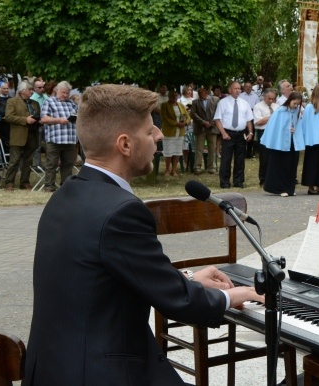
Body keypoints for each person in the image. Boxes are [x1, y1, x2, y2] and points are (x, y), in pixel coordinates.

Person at [22, 84, 262, 386]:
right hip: (99, 374)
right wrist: (231, 295)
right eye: (150, 132)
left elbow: (110, 278)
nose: (159, 136)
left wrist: (186, 281)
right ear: (125, 144)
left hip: (55, 367)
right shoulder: (121, 210)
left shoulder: (65, 195)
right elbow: (179, 303)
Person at [261, 92, 304, 197]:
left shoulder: (297, 111)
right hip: (280, 143)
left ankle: (290, 188)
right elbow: (275, 126)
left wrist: (295, 129)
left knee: (292, 164)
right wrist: (286, 129)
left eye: (297, 104)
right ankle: (280, 188)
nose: (295, 106)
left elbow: (299, 124)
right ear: (290, 100)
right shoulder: (280, 111)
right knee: (282, 165)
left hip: (293, 142)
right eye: (294, 103)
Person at [214, 81, 254, 188]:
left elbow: (249, 119)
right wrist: (223, 133)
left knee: (240, 158)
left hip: (241, 133)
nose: (237, 90)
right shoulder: (223, 102)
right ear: (229, 90)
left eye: (239, 88)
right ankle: (225, 182)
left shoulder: (244, 103)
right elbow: (217, 119)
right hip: (228, 133)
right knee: (226, 159)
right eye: (235, 88)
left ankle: (238, 181)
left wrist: (250, 132)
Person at [2, 80, 40, 190]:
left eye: (32, 89)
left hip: (32, 134)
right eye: (30, 90)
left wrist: (39, 121)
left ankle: (24, 182)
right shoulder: (12, 101)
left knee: (28, 160)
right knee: (14, 160)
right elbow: (8, 117)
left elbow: (38, 116)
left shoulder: (35, 103)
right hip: (18, 135)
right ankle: (9, 183)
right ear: (23, 91)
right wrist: (25, 120)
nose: (32, 92)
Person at [40, 81, 78, 192]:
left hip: (69, 139)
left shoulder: (71, 103)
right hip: (55, 139)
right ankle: (49, 186)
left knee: (68, 165)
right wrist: (58, 120)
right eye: (63, 92)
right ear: (57, 90)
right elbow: (43, 119)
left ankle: (66, 187)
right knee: (51, 164)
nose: (65, 95)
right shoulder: (49, 101)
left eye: (67, 93)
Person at [301, 84, 319, 194]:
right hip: (313, 140)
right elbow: (307, 124)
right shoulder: (310, 107)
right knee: (312, 163)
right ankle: (311, 185)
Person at [160, 90, 190, 177]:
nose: (174, 97)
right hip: (169, 131)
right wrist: (176, 124)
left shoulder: (181, 105)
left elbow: (187, 116)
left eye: (176, 96)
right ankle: (167, 170)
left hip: (180, 132)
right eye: (172, 96)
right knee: (168, 152)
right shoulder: (164, 105)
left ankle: (174, 170)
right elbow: (165, 118)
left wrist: (185, 123)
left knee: (177, 151)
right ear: (169, 96)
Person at [190, 87, 219, 174]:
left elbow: (218, 112)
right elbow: (193, 114)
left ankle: (211, 167)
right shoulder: (195, 102)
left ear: (206, 92)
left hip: (212, 127)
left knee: (212, 148)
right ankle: (197, 167)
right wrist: (203, 123)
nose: (199, 94)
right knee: (199, 148)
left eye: (201, 92)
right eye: (198, 92)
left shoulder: (215, 100)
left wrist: (211, 123)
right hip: (200, 127)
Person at [253, 88, 279, 186]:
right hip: (263, 132)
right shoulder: (258, 107)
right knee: (264, 157)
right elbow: (258, 122)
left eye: (273, 99)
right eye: (269, 98)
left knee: (275, 156)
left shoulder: (277, 107)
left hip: (275, 132)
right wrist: (273, 117)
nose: (271, 101)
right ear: (264, 97)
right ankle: (263, 179)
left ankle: (274, 178)